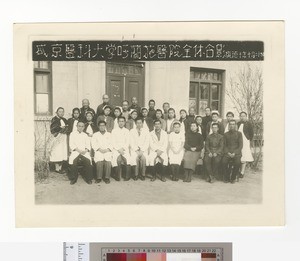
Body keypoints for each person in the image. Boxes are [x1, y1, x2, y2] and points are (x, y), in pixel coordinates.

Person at [111, 116, 131, 181]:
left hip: (124, 148)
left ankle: (127, 176)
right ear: (117, 122)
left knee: (127, 159)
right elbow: (113, 141)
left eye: (122, 121)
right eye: (120, 121)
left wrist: (123, 148)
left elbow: (128, 141)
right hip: (116, 149)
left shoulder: (127, 131)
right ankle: (117, 176)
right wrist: (119, 149)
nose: (121, 123)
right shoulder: (114, 131)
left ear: (125, 122)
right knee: (117, 159)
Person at [50, 107, 68, 174]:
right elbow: (53, 128)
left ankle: (60, 168)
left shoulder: (64, 119)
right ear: (57, 112)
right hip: (57, 137)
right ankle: (57, 168)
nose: (61, 113)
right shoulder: (54, 119)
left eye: (62, 112)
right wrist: (59, 128)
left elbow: (67, 127)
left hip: (63, 137)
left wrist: (65, 128)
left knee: (62, 151)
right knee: (57, 151)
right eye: (60, 111)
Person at [237, 111, 254, 178]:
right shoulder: (238, 123)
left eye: (244, 116)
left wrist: (248, 139)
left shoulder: (249, 124)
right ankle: (238, 170)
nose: (242, 117)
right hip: (238, 141)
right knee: (239, 155)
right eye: (241, 116)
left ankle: (242, 172)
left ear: (246, 117)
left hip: (245, 141)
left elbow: (251, 133)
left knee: (244, 155)